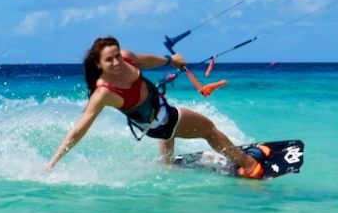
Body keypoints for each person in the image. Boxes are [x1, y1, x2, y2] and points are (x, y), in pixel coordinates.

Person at [46, 36, 264, 178]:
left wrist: (169, 60)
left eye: (116, 56)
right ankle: (247, 165)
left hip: (158, 112)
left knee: (169, 125)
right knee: (209, 129)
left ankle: (167, 166)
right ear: (98, 64)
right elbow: (79, 129)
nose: (116, 62)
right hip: (158, 121)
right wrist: (53, 162)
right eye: (109, 60)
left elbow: (144, 60)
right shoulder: (103, 93)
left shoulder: (126, 58)